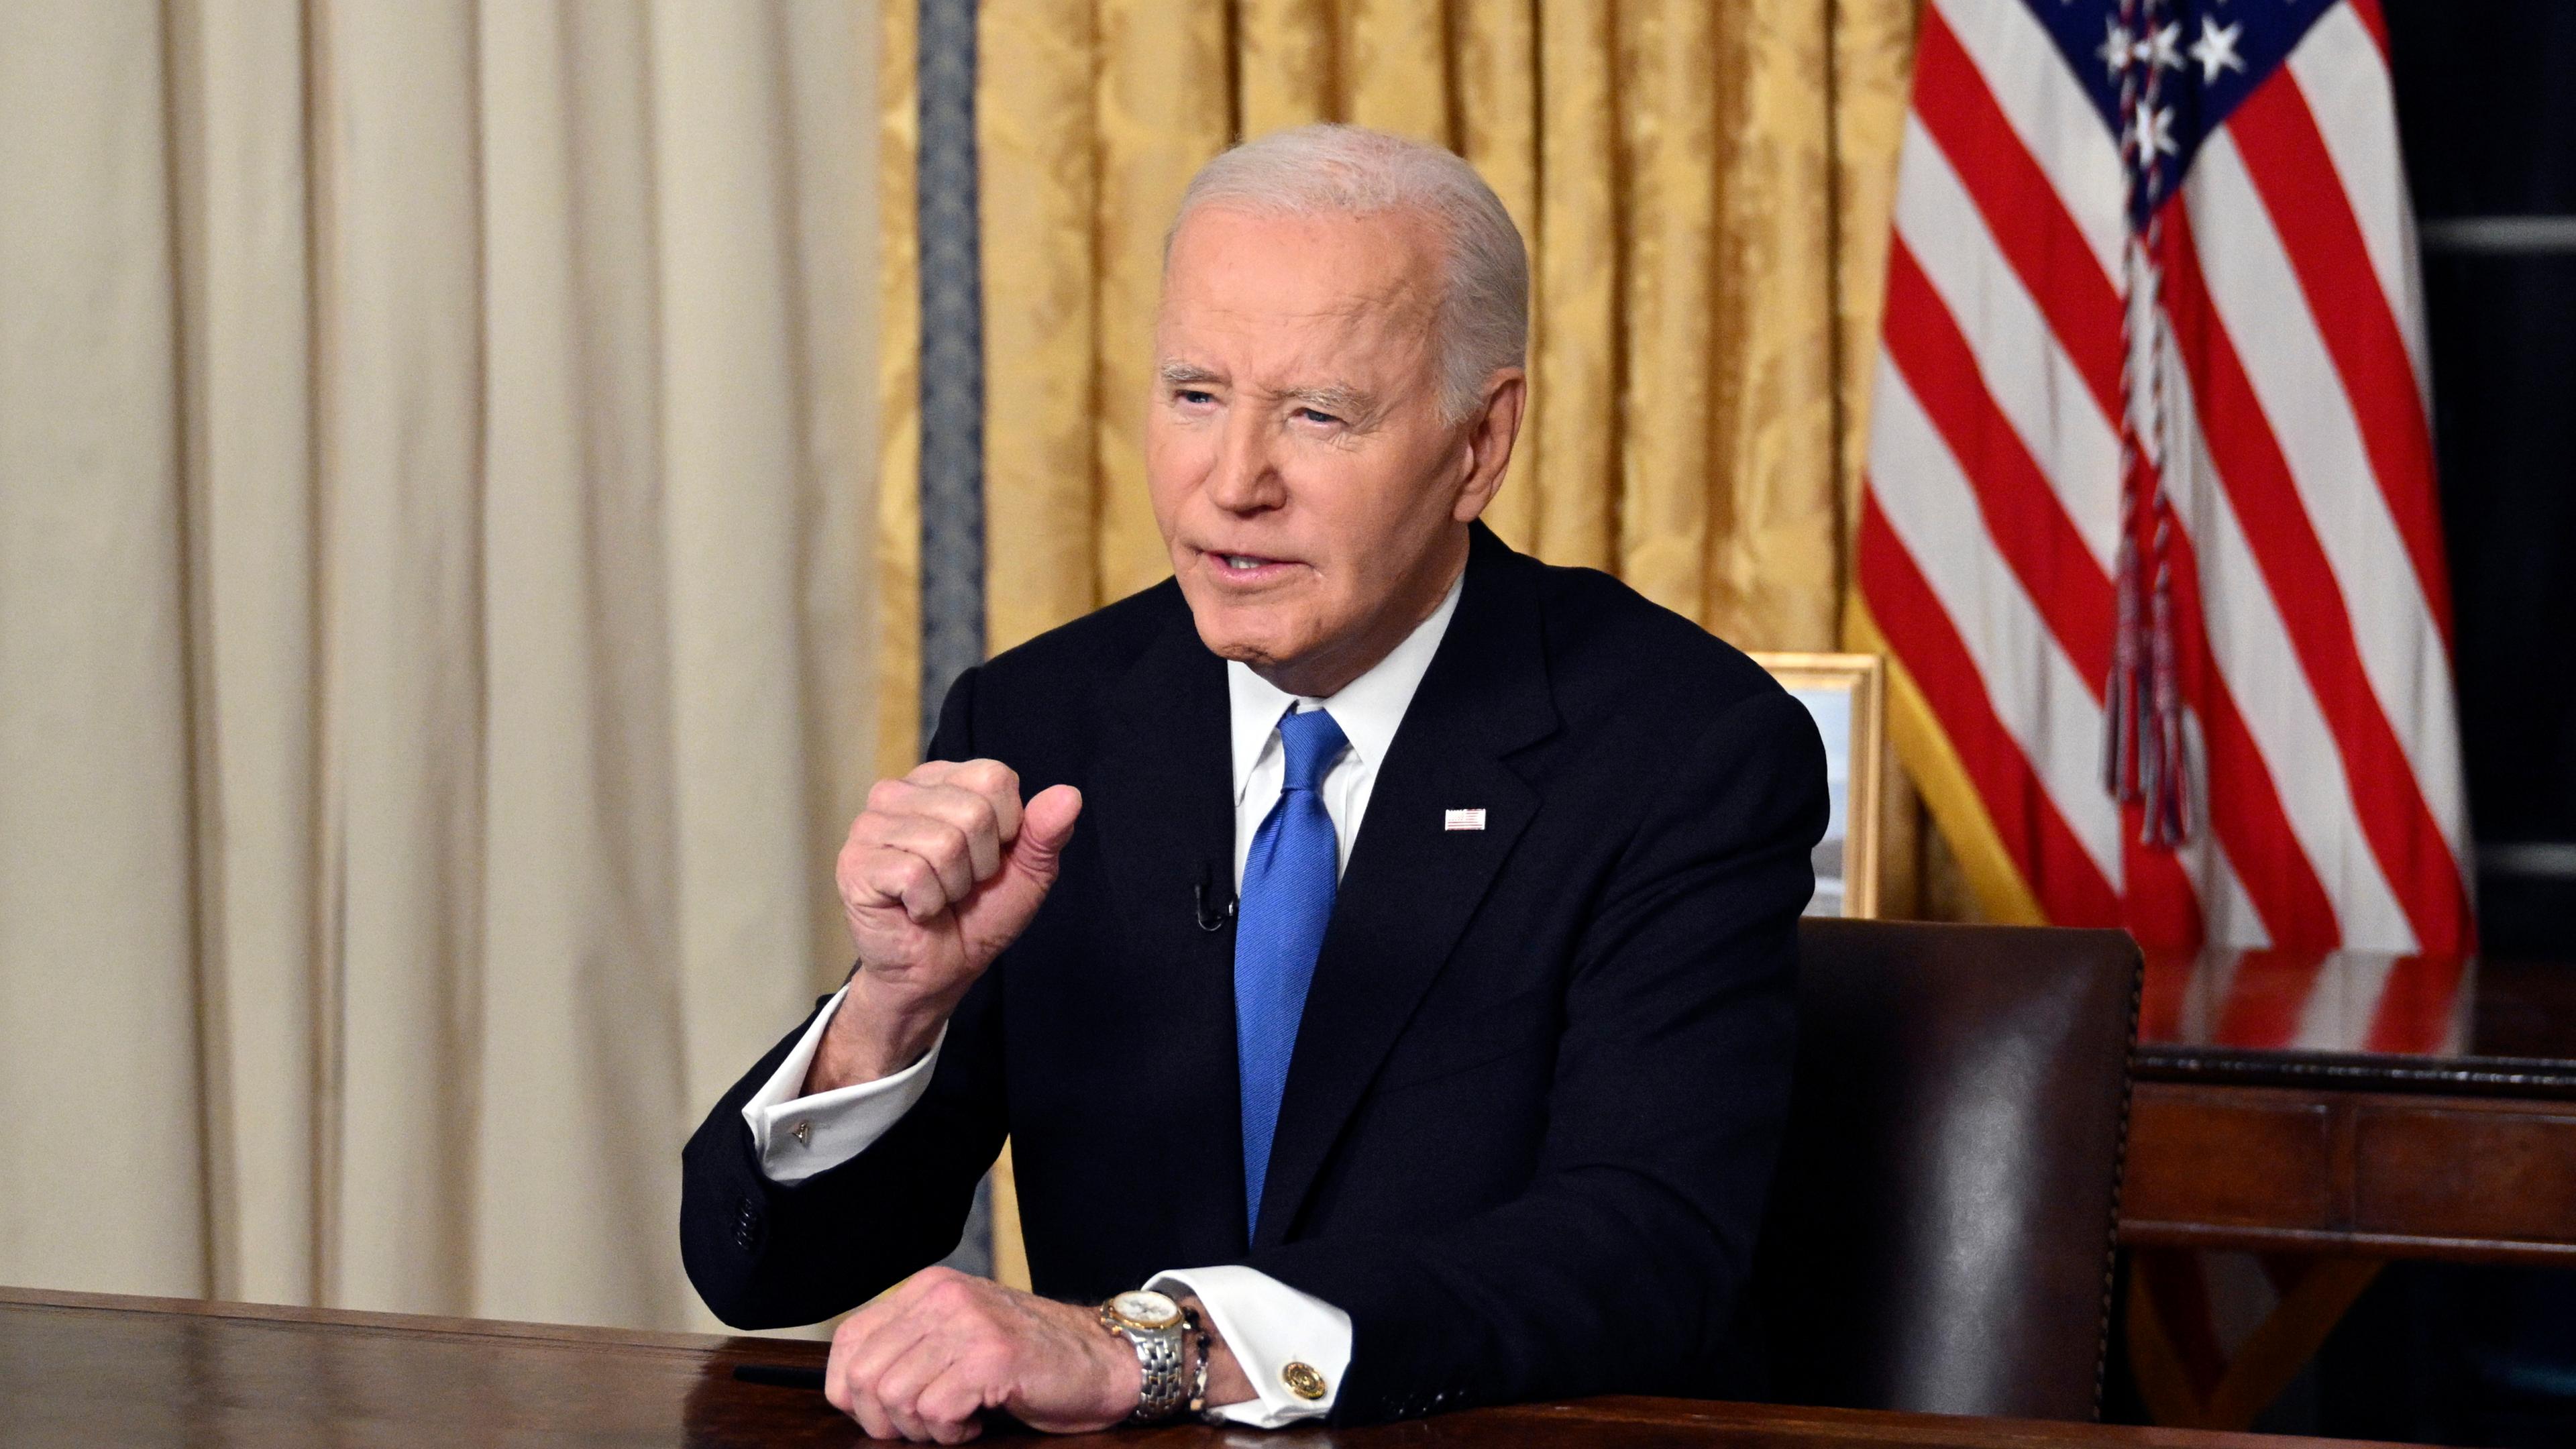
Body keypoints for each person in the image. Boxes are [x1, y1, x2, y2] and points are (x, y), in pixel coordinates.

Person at [680, 123, 1827, 1443]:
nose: (1233, 486)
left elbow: (1647, 1242)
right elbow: (766, 1272)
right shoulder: (1044, 717)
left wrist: (1157, 1349)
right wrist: (893, 1011)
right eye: (1194, 396)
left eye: (1318, 414)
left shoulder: (1681, 744)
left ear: (1479, 442)